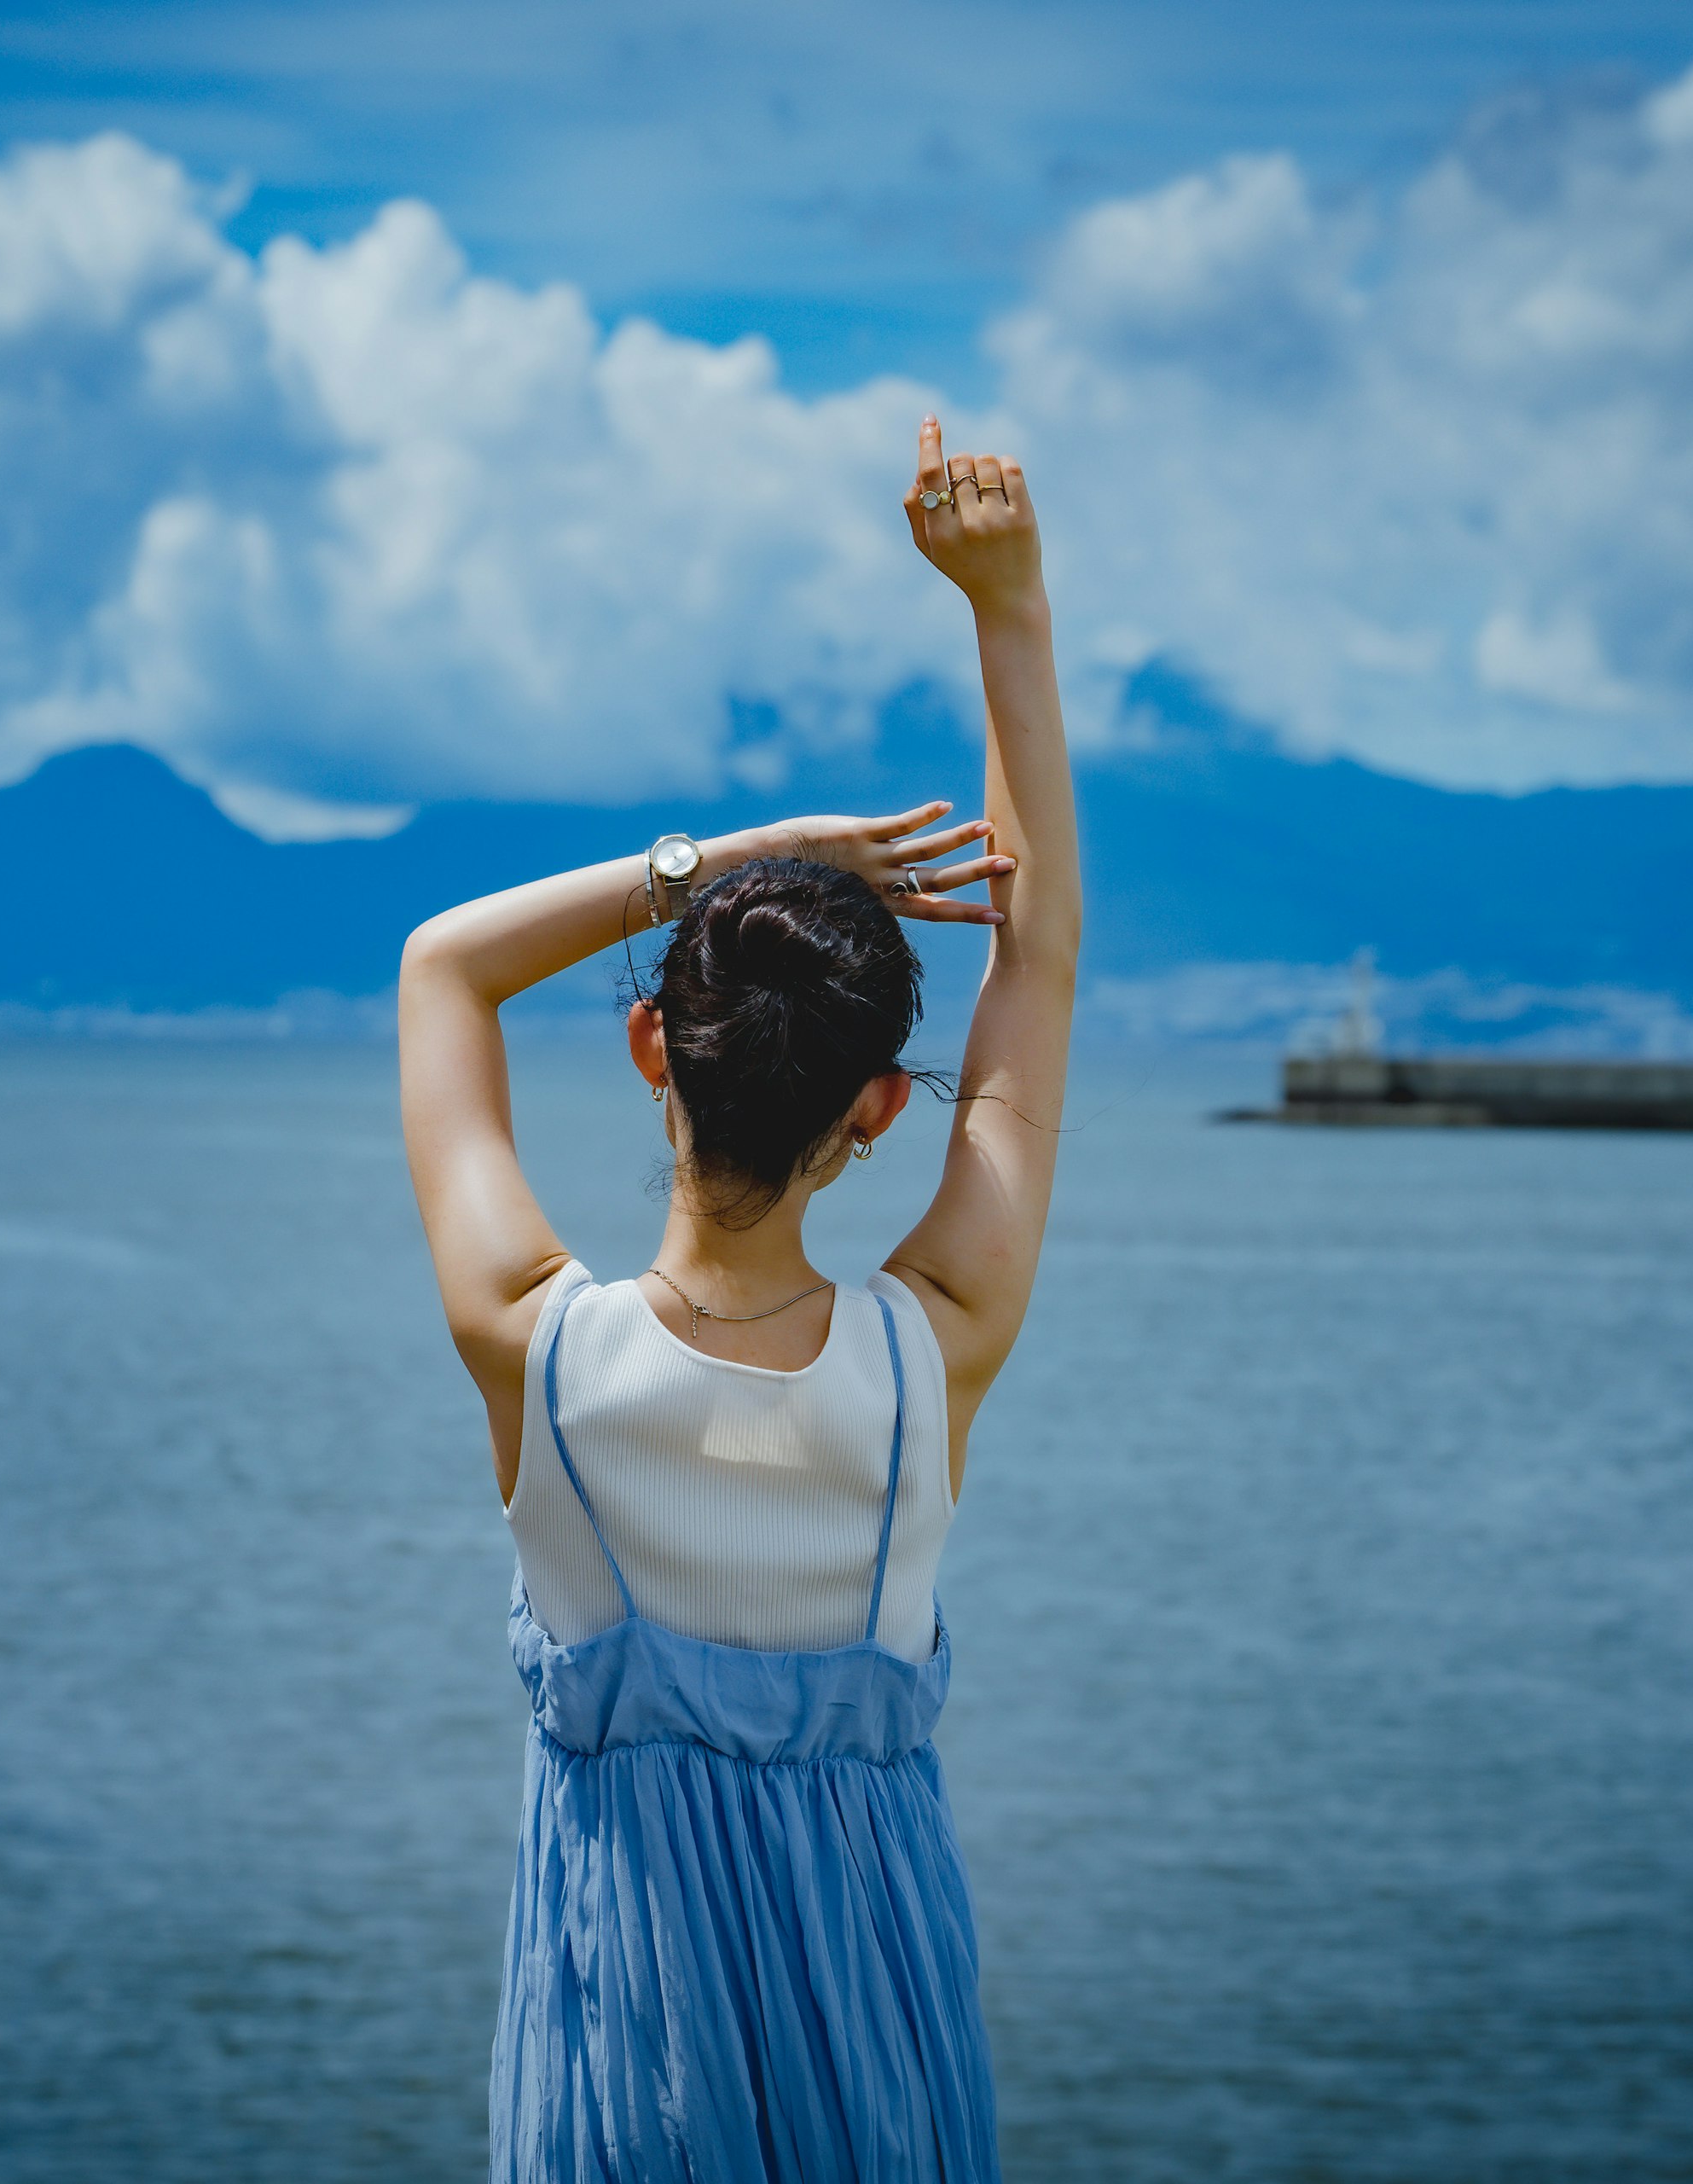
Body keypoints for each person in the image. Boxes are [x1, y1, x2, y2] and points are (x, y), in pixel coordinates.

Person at [399, 417, 1078, 2180]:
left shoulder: (536, 1357)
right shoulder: (936, 1358)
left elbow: (443, 970)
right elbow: (1042, 954)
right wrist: (1007, 601)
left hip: (624, 2095)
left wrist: (729, 857)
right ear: (872, 1111)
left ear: (650, 1049)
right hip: (887, 2074)